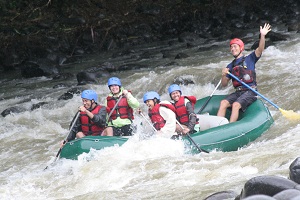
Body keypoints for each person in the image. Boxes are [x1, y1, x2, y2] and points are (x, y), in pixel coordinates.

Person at [217, 23, 271, 123]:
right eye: (231, 47)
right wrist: (223, 75)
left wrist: (262, 35)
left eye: (235, 46)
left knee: (236, 105)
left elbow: (260, 49)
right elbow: (224, 85)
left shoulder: (250, 58)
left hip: (251, 91)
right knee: (223, 103)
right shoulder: (230, 66)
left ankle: (230, 127)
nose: (233, 49)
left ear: (241, 48)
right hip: (239, 92)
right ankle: (218, 126)